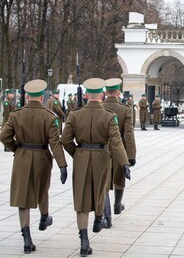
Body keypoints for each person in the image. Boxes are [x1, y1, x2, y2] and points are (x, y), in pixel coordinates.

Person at [61, 78, 131, 256]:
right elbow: (116, 142)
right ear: (101, 95)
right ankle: (99, 218)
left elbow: (65, 140)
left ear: (85, 95)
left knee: (82, 200)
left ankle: (84, 241)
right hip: (102, 156)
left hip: (82, 156)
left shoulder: (74, 115)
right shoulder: (109, 116)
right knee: (101, 191)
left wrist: (76, 153)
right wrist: (124, 162)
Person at [0, 79, 68, 254]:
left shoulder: (16, 115)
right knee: (41, 190)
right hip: (42, 157)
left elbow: (4, 136)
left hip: (22, 157)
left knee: (23, 197)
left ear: (28, 96)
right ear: (43, 96)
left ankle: (27, 239)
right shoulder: (50, 116)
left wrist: (17, 148)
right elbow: (55, 143)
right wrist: (62, 165)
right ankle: (44, 217)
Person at [101, 78, 136, 227]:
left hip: (102, 148)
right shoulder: (125, 109)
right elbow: (129, 133)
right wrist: (131, 155)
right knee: (119, 178)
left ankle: (106, 217)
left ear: (105, 92)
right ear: (117, 92)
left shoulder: (100, 108)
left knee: (104, 183)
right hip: (119, 147)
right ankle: (117, 205)